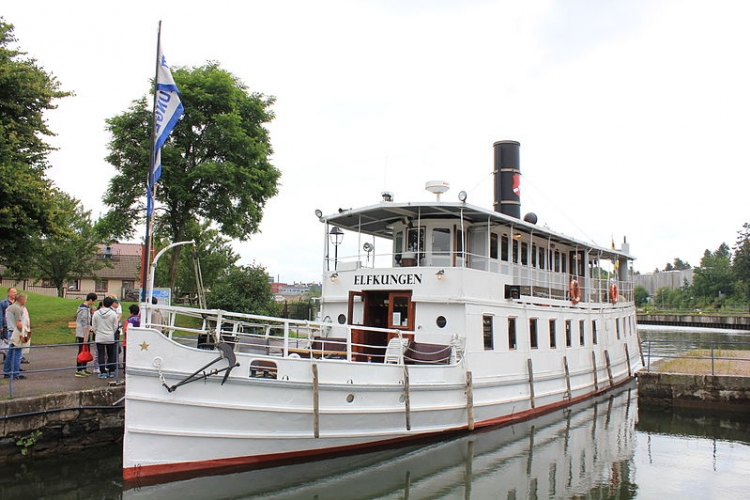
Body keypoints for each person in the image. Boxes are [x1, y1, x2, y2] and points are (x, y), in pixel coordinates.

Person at [3, 293, 30, 380]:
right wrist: (25, 331)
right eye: (25, 299)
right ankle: (15, 374)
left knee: (10, 353)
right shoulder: (18, 309)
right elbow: (18, 324)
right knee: (17, 354)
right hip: (17, 332)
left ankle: (7, 371)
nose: (26, 301)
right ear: (21, 300)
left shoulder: (11, 307)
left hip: (10, 330)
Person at [92, 296, 119, 379]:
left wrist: (97, 332)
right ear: (111, 304)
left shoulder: (96, 313)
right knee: (111, 354)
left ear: (103, 303)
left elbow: (94, 326)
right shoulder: (113, 314)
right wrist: (111, 332)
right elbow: (115, 326)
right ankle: (111, 371)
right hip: (110, 336)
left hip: (99, 336)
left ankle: (103, 372)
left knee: (101, 354)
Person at [75, 292, 97, 377]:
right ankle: (79, 369)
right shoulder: (84, 310)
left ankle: (84, 367)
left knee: (86, 350)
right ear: (90, 300)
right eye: (93, 301)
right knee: (82, 351)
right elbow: (84, 323)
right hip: (82, 334)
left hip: (86, 332)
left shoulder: (86, 308)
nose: (93, 303)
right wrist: (85, 336)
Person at [123, 304, 140, 368]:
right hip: (138, 341)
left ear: (131, 312)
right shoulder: (141, 320)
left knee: (126, 357)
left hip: (127, 342)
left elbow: (125, 330)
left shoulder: (129, 320)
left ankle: (125, 369)